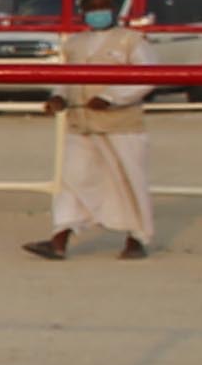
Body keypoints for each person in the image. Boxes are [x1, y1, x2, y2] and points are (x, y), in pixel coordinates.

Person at [26, 16, 154, 261]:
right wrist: (59, 97)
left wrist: (113, 97)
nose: (98, 12)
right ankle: (59, 239)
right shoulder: (75, 43)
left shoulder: (131, 40)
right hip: (81, 123)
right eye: (91, 8)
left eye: (101, 7)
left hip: (121, 124)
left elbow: (147, 76)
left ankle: (137, 238)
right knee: (74, 179)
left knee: (127, 180)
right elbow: (66, 78)